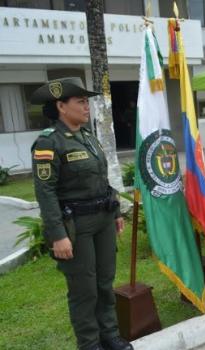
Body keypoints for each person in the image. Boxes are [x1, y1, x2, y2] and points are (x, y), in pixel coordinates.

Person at [30, 77, 132, 350]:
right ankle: (89, 344)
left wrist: (115, 210)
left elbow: (101, 177)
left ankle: (109, 335)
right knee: (84, 289)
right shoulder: (49, 143)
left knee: (104, 282)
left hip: (103, 220)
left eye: (87, 101)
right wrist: (57, 235)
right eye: (81, 102)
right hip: (76, 226)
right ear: (61, 106)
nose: (87, 107)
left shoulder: (88, 137)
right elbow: (45, 192)